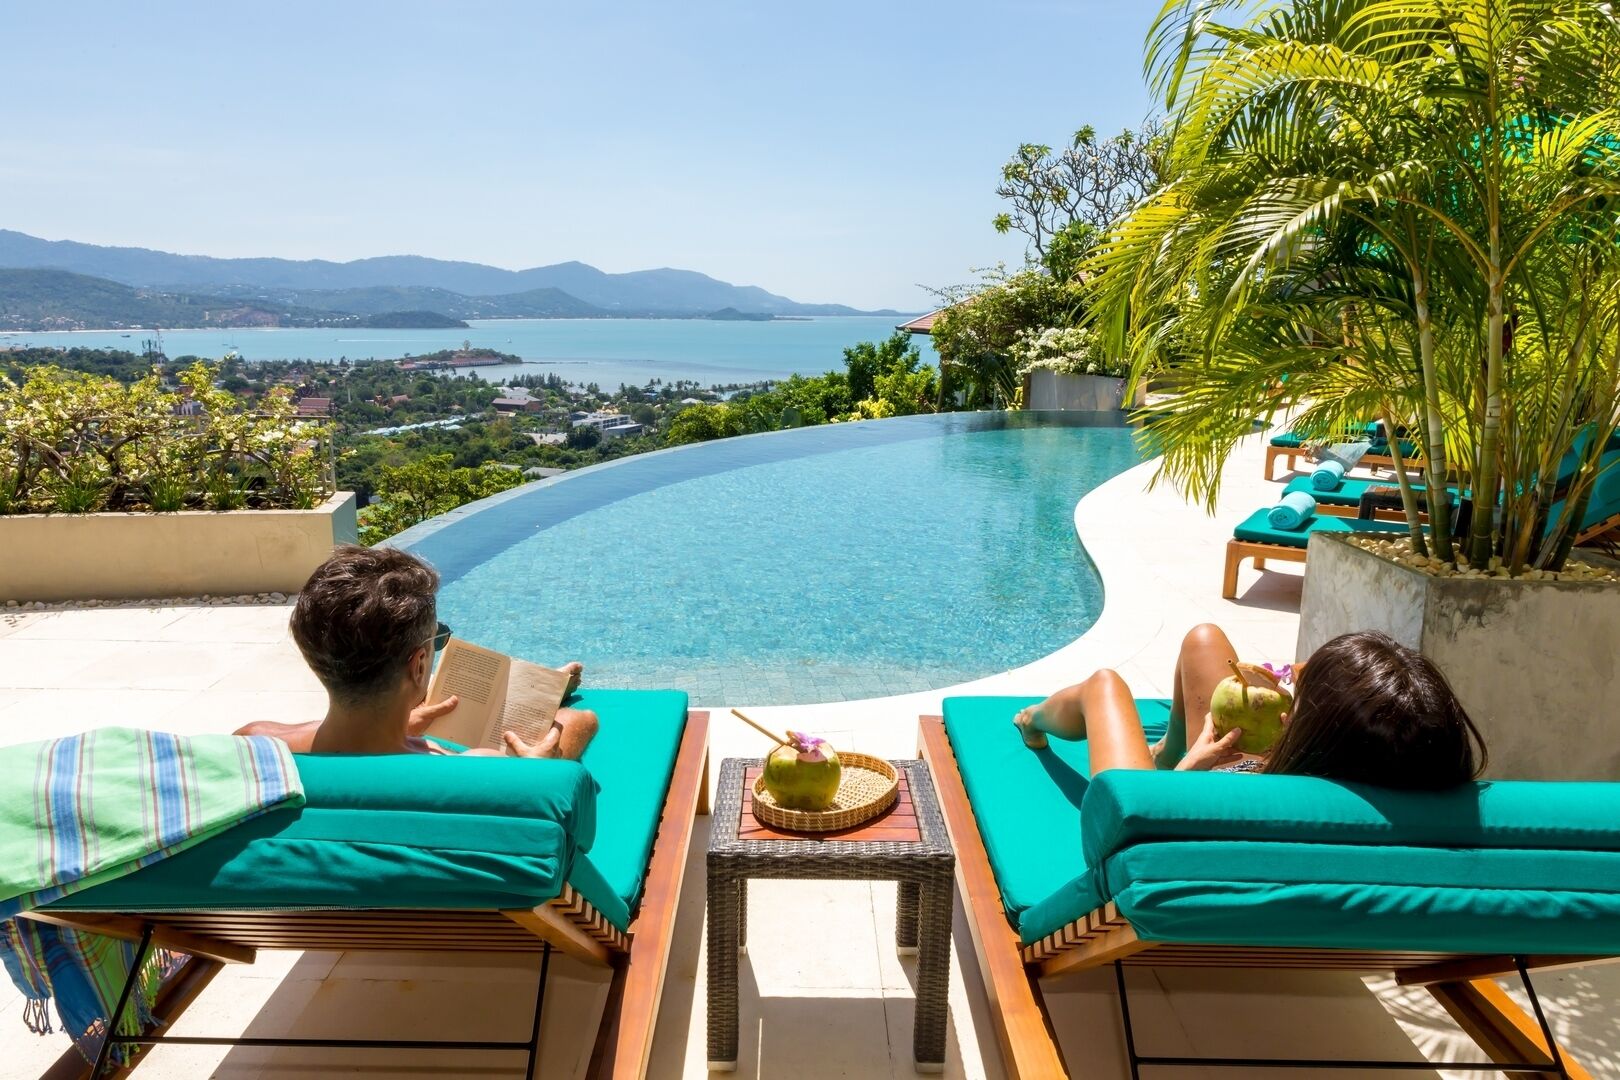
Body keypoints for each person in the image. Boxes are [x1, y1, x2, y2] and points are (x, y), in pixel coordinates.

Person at [236, 545, 598, 759]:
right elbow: (583, 722)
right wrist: (534, 773)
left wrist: (402, 724)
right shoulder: (475, 773)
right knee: (577, 722)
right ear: (419, 664)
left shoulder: (254, 743)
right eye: (435, 639)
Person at [1013, 624, 1486, 788]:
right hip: (1276, 777)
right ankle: (1162, 751)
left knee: (1105, 685)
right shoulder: (1409, 775)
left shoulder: (1251, 799)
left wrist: (1186, 779)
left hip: (1158, 806)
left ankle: (1033, 720)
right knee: (1204, 641)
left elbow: (1129, 827)